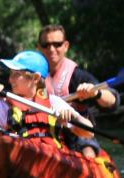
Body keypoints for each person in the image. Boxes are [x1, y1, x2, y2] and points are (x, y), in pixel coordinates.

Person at [0, 50, 96, 150]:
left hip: (49, 159)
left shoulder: (54, 103)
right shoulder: (5, 105)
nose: (10, 79)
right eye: (10, 74)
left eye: (16, 74)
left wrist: (73, 117)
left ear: (35, 78)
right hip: (16, 157)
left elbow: (89, 133)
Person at [38, 24, 119, 158]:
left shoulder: (78, 76)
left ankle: (90, 167)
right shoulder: (31, 77)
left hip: (76, 132)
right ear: (39, 47)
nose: (51, 49)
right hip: (43, 130)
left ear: (66, 46)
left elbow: (113, 101)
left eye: (57, 44)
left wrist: (96, 93)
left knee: (87, 147)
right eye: (46, 45)